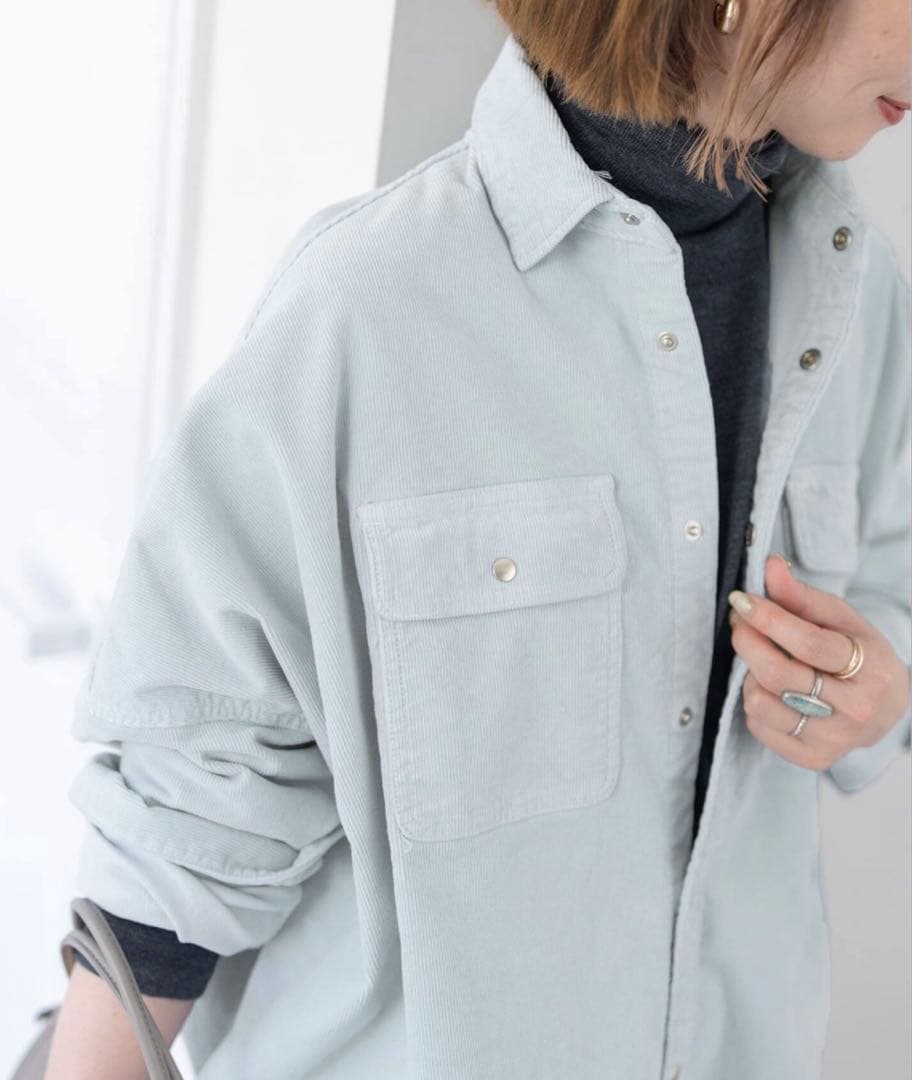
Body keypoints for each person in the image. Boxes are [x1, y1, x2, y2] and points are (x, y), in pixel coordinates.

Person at [44, 0, 911, 1077]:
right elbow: (198, 803)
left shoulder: (861, 294)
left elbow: (889, 587)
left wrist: (871, 692)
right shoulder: (366, 308)